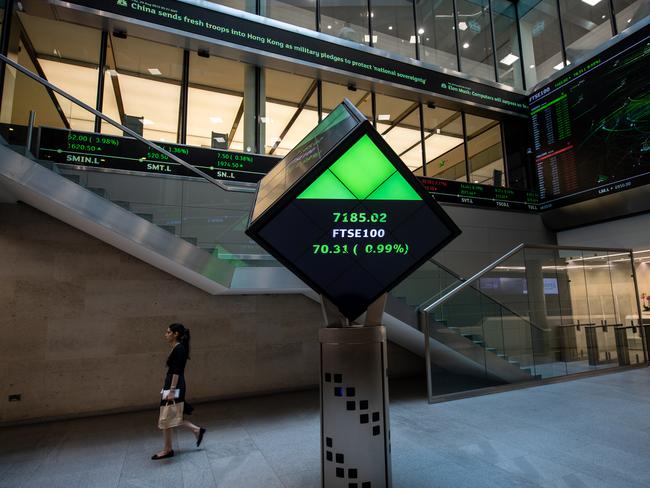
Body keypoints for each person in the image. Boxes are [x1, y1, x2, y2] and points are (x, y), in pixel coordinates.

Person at [151, 323, 206, 460]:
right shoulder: (176, 348)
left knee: (167, 416)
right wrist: (166, 388)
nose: (166, 334)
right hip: (172, 384)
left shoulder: (179, 349)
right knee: (169, 416)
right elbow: (172, 371)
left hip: (175, 385)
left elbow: (177, 371)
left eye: (168, 332)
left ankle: (168, 448)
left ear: (176, 334)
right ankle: (195, 431)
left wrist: (171, 390)